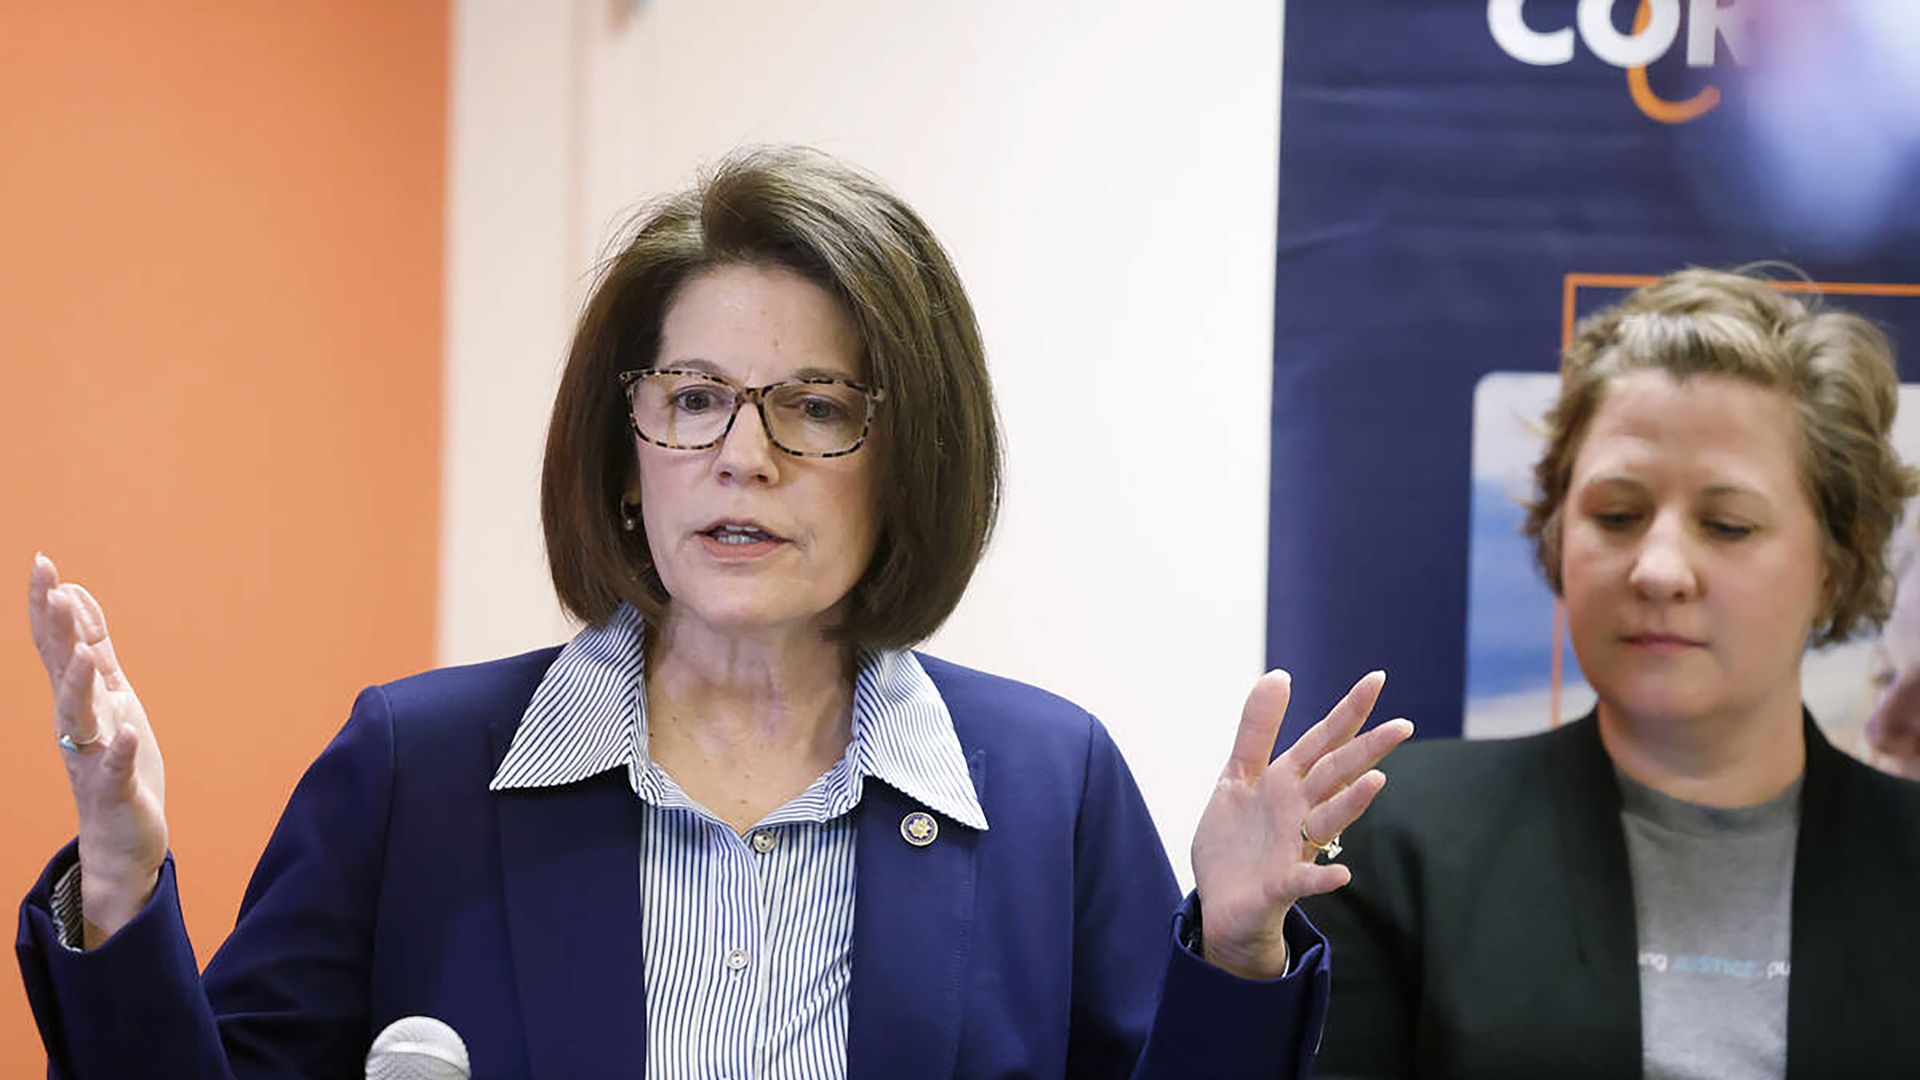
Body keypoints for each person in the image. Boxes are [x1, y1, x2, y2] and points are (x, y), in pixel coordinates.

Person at [18, 146, 1412, 1079]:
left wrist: (1234, 955)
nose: (741, 456)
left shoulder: (1048, 786)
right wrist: (128, 886)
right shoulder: (415, 768)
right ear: (627, 454)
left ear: (909, 457)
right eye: (691, 398)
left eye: (814, 406)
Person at [1301, 267, 1920, 1080]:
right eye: (1618, 516)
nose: (1659, 568)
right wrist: (1232, 959)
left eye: (1728, 525)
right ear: (1557, 537)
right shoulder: (1385, 835)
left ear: (1837, 564)